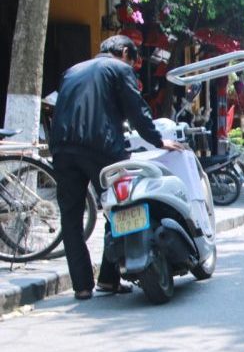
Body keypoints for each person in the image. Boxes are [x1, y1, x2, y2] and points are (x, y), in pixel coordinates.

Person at [49, 35, 183, 301]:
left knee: (71, 218)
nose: (131, 66)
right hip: (102, 146)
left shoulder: (71, 71)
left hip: (62, 148)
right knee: (120, 206)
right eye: (132, 61)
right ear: (123, 52)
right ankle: (109, 279)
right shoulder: (120, 69)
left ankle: (82, 286)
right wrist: (158, 140)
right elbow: (137, 110)